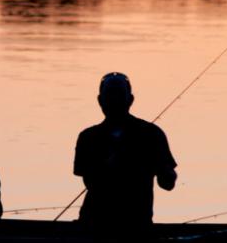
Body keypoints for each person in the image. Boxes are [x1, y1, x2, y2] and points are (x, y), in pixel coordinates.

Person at [74, 73, 177, 232]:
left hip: (137, 225)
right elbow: (90, 182)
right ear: (100, 100)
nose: (114, 100)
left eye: (119, 94)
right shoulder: (88, 137)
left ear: (130, 99)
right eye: (110, 95)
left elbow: (167, 184)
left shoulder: (152, 134)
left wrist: (166, 172)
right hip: (94, 225)